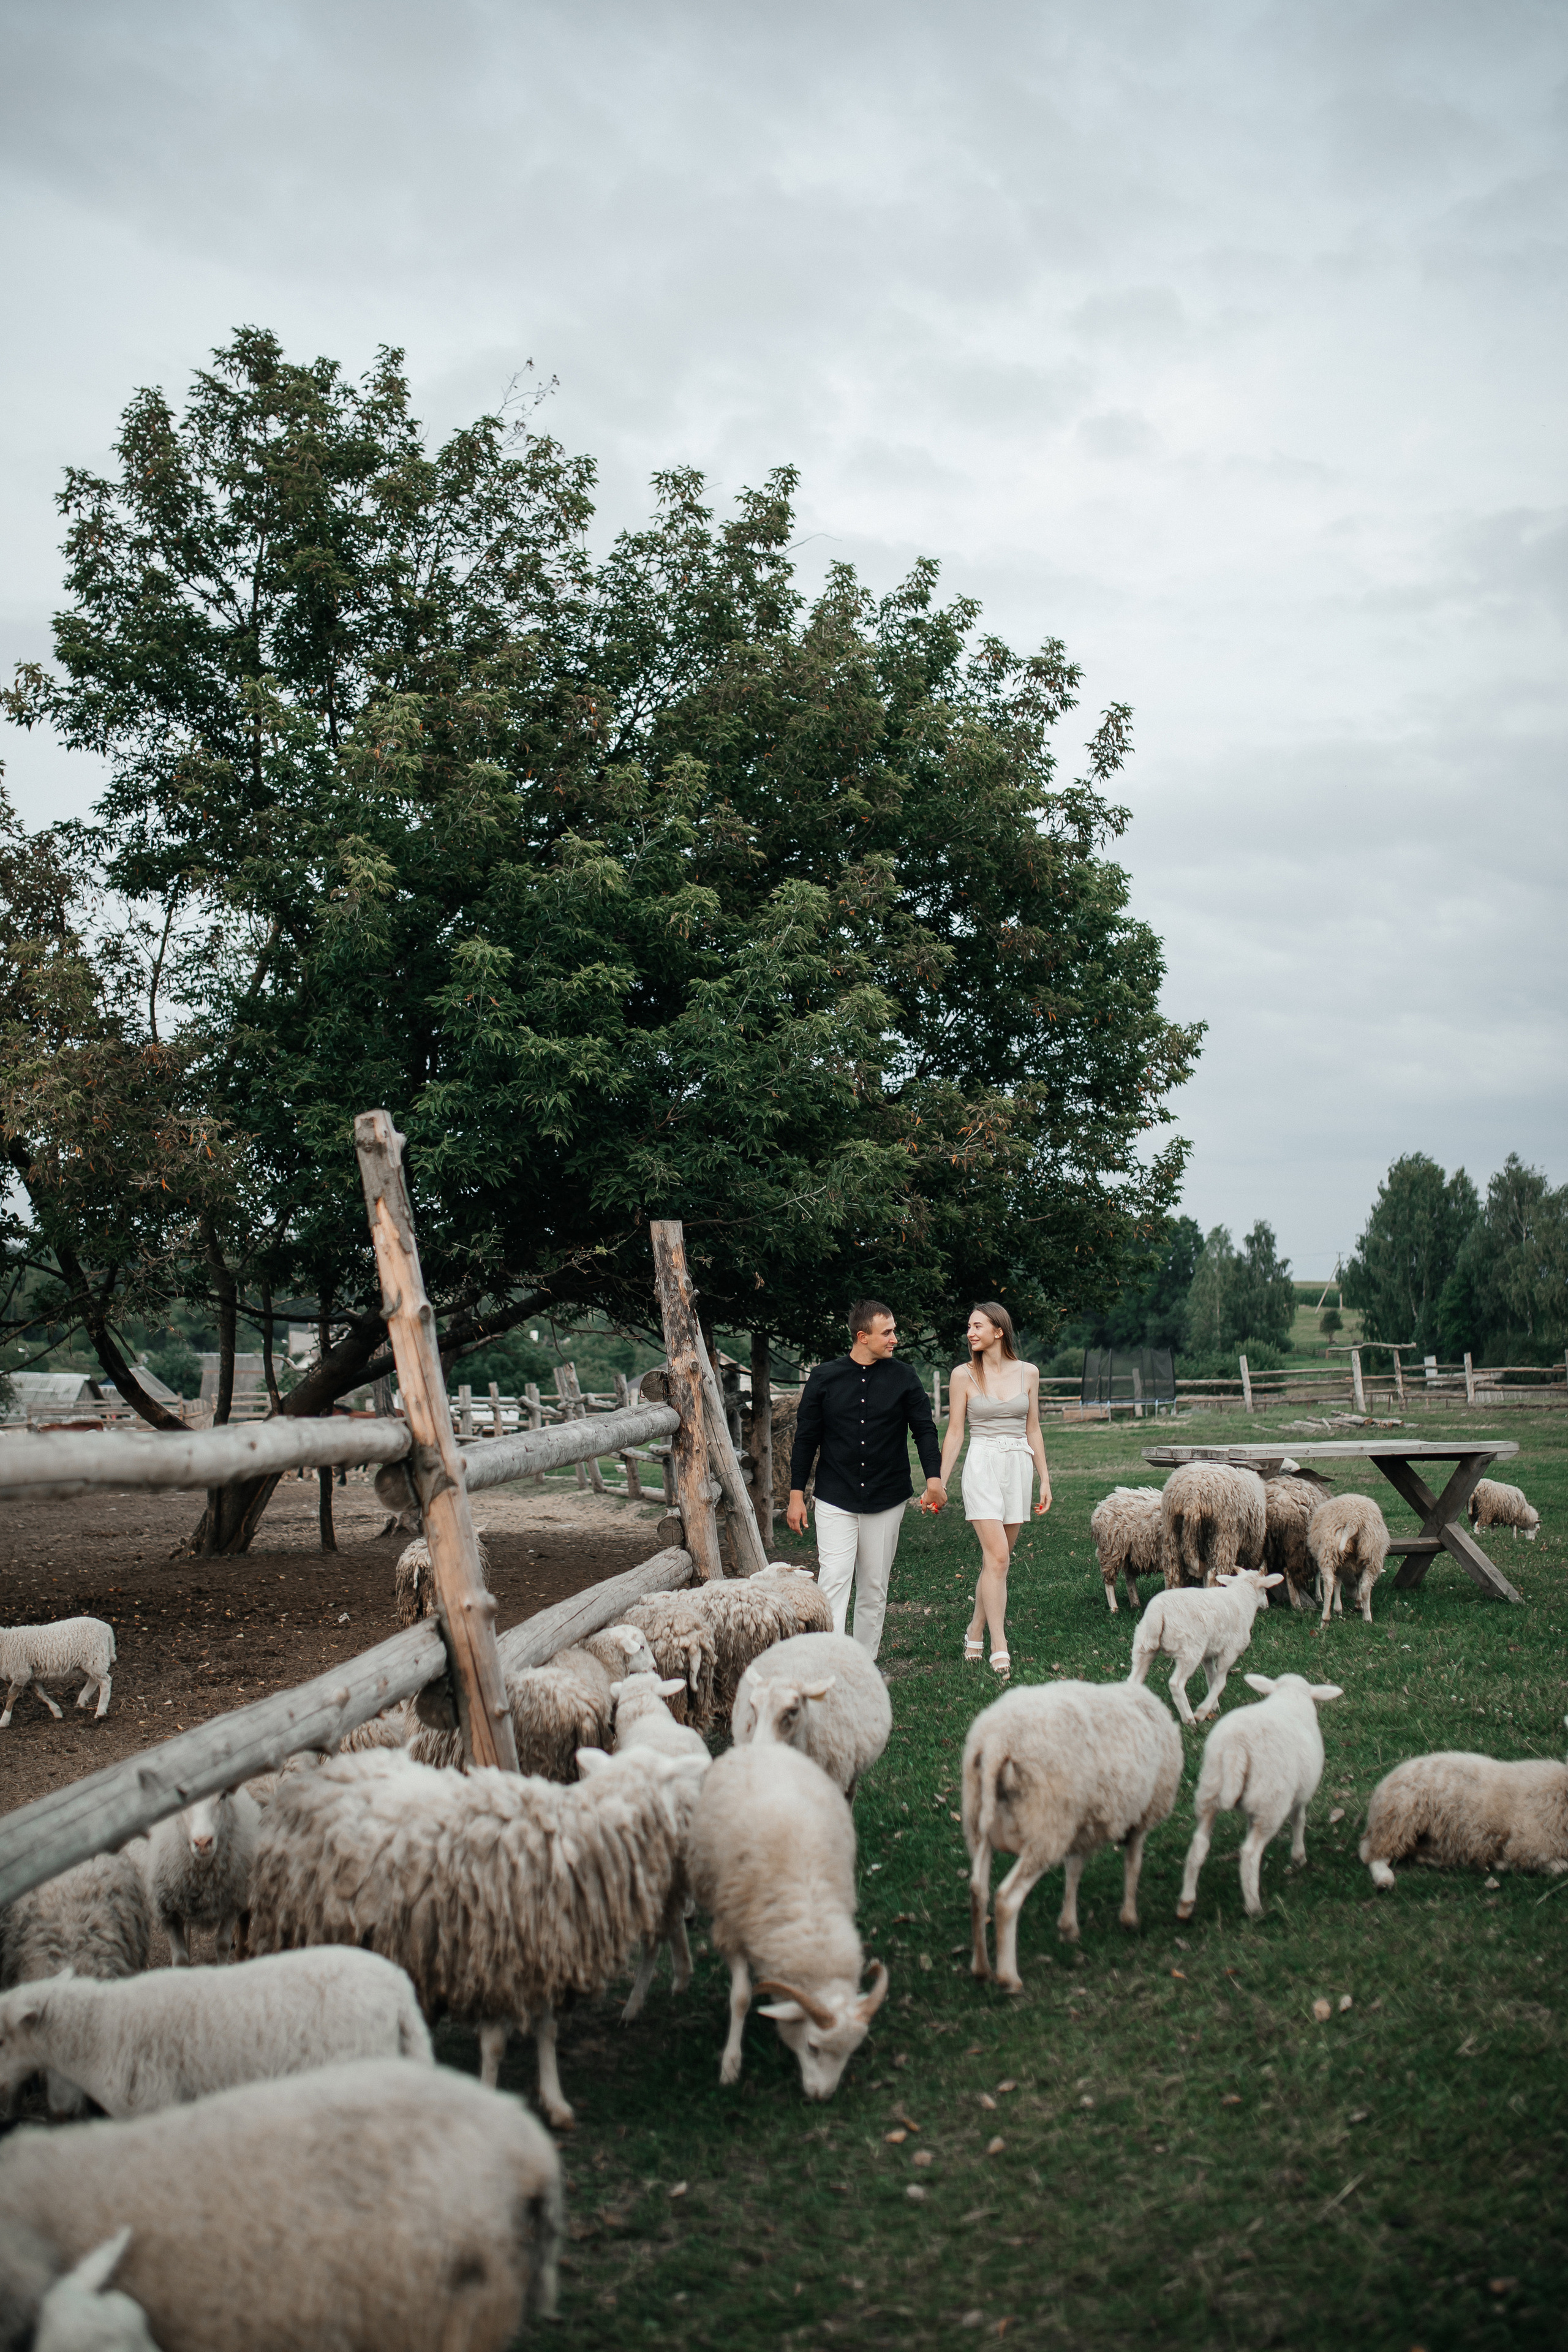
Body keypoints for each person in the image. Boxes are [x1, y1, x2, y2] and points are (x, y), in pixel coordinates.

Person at [786, 1299, 946, 1659]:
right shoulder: (824, 1377)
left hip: (887, 1497)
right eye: (887, 1332)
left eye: (893, 1331)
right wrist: (796, 1496)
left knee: (874, 1585)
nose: (895, 1339)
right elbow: (806, 1438)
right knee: (834, 1580)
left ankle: (863, 1665)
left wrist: (934, 1479)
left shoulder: (904, 1377)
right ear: (863, 1336)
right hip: (834, 1494)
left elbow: (924, 1430)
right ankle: (830, 1662)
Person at [937, 1301, 1050, 1679]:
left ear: (999, 1331)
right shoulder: (963, 1375)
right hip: (982, 1464)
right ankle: (999, 1644)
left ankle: (974, 1630)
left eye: (977, 1326)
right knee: (999, 1558)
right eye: (968, 1327)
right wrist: (940, 1480)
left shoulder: (1029, 1373)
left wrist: (1045, 1478)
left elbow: (1033, 1428)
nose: (970, 1333)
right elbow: (955, 1431)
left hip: (1017, 1464)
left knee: (995, 1562)